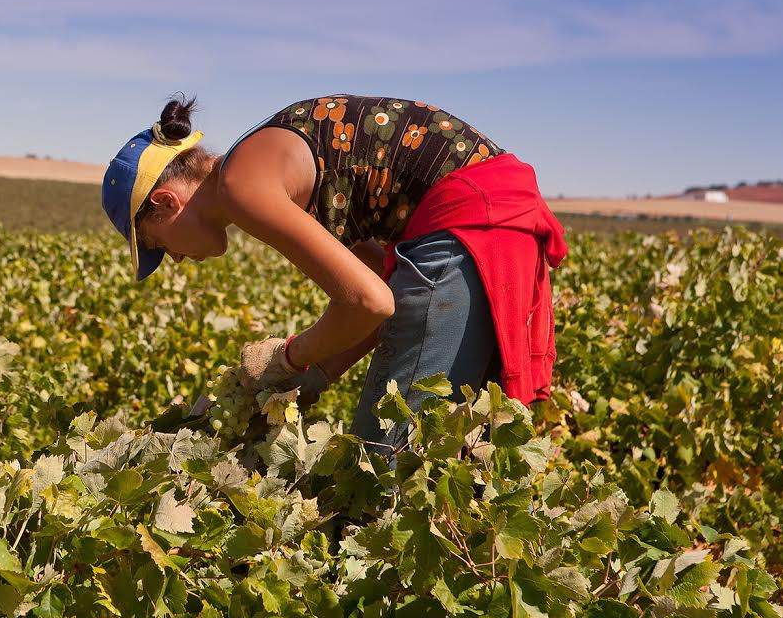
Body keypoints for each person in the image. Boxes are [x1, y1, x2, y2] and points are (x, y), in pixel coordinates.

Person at [102, 93, 567, 448]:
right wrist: (313, 377)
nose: (177, 260)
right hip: (493, 226)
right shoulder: (273, 170)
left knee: (385, 468)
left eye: (160, 245)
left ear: (166, 204)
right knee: (459, 456)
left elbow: (371, 302)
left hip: (469, 229)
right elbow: (381, 293)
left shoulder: (242, 186)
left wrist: (287, 358)